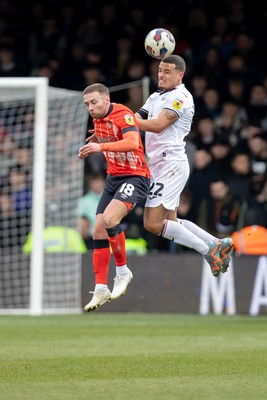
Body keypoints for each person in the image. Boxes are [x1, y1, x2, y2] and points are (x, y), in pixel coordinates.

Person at [135, 54, 234, 277]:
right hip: (161, 164)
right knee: (171, 222)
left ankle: (209, 250)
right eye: (160, 70)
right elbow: (136, 117)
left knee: (152, 224)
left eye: (167, 71)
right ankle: (217, 242)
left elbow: (158, 125)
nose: (161, 74)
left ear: (180, 75)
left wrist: (124, 121)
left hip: (170, 164)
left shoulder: (181, 97)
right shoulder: (154, 97)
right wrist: (120, 119)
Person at [78, 83, 150, 312]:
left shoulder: (123, 113)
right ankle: (101, 287)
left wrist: (101, 148)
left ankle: (122, 271)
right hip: (114, 178)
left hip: (135, 176)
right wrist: (99, 139)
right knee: (98, 229)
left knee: (110, 220)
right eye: (87, 104)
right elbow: (111, 138)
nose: (90, 107)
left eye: (94, 102)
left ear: (106, 100)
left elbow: (132, 142)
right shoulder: (99, 120)